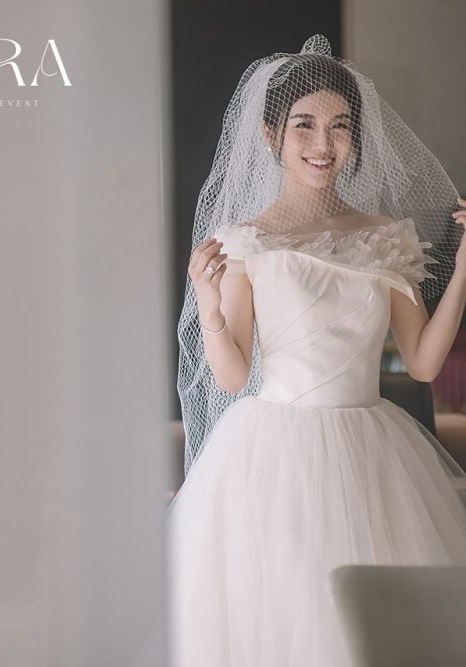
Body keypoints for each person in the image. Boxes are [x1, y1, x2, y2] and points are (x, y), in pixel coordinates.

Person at [171, 35, 466, 666]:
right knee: (285, 617)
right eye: (304, 125)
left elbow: (422, 362)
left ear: (356, 137)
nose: (322, 143)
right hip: (272, 452)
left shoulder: (386, 235)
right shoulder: (246, 241)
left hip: (373, 450)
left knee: (374, 626)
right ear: (271, 136)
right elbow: (232, 376)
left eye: (340, 126)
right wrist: (209, 304)